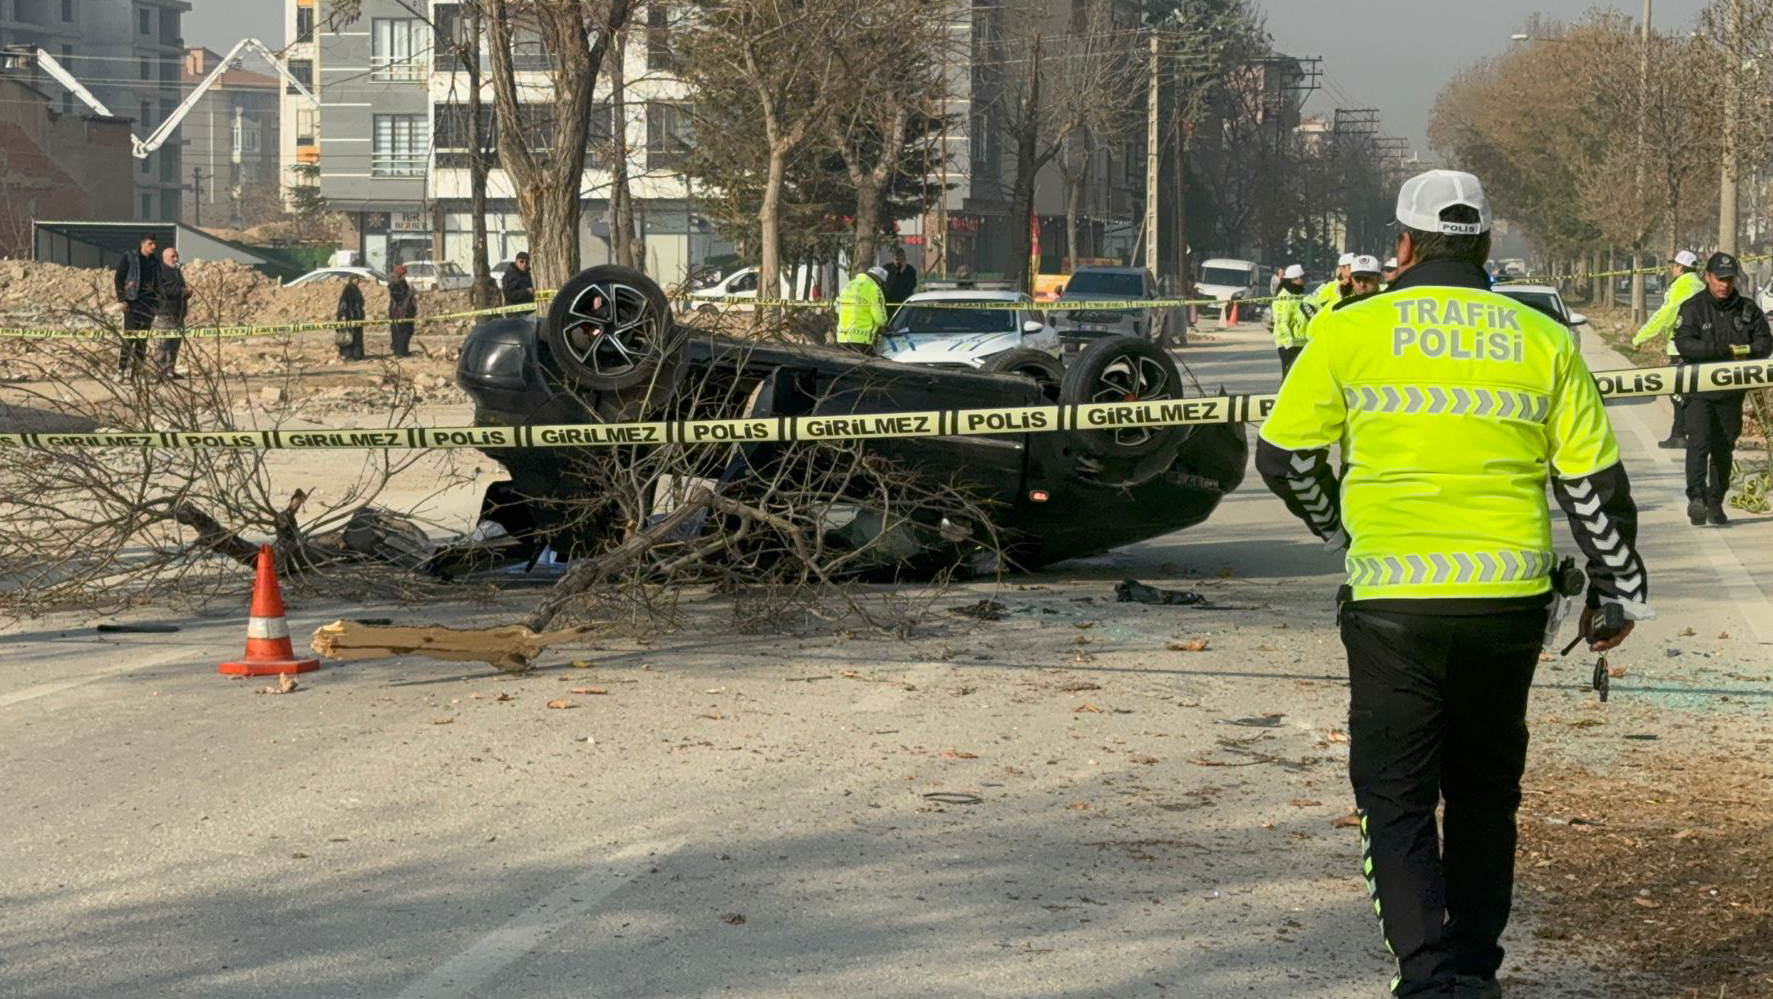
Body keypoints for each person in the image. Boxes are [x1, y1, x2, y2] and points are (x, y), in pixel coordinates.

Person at [1258, 169, 1649, 999]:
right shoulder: (1540, 336)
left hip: (1392, 605)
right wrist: (1618, 591)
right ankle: (1474, 964)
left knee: (1395, 796)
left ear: (1401, 246)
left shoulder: (1349, 329)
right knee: (1481, 792)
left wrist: (1337, 524)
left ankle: (1432, 979)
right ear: (1483, 244)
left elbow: (1284, 456)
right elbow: (1592, 485)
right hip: (1507, 605)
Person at [1673, 251, 1773, 527]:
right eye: (1719, 279)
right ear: (1707, 277)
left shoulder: (1747, 309)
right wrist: (1714, 350)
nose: (1724, 285)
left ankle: (1715, 502)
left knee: (1723, 448)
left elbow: (1765, 344)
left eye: (1729, 279)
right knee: (1699, 442)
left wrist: (1744, 350)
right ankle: (1696, 498)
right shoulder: (1693, 307)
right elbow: (1683, 343)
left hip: (1731, 395)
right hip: (1699, 392)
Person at [1631, 250, 1705, 449]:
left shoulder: (1681, 286)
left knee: (1678, 394)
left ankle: (1680, 435)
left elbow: (1664, 315)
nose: (1672, 268)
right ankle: (1690, 433)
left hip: (1680, 347)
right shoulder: (1700, 285)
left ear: (1680, 268)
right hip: (1700, 347)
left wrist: (1640, 337)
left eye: (1674, 265)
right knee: (1693, 393)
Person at [112, 234, 161, 378]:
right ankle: (121, 369)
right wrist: (122, 299)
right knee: (130, 337)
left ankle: (137, 371)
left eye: (155, 244)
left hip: (148, 306)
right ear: (143, 244)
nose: (153, 247)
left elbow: (158, 283)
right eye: (151, 244)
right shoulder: (130, 257)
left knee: (142, 341)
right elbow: (119, 278)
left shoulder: (155, 262)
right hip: (132, 304)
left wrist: (156, 303)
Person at [152, 246, 192, 380]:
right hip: (165, 313)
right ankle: (161, 370)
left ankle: (170, 369)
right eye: (172, 256)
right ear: (165, 258)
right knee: (165, 343)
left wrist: (186, 294)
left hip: (178, 313)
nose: (175, 259)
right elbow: (161, 290)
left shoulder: (176, 271)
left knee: (175, 342)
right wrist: (180, 291)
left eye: (176, 256)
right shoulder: (160, 271)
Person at [835, 265, 889, 354]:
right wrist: (884, 323)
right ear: (879, 280)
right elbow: (880, 319)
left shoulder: (849, 285)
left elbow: (838, 309)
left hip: (842, 337)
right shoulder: (874, 289)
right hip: (861, 339)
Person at [1270, 263, 1309, 376]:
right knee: (1290, 377)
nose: (1305, 280)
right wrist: (1289, 346)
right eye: (1303, 278)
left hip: (1301, 343)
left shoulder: (1298, 295)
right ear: (1294, 279)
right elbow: (1282, 324)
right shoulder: (1284, 298)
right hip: (1289, 346)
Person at [1305, 252, 1354, 318]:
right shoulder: (1329, 286)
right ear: (1342, 268)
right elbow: (1306, 304)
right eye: (1351, 267)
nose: (1355, 270)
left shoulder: (1359, 286)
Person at [387, 264, 419, 358]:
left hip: (407, 313)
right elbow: (397, 297)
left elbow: (407, 296)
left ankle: (404, 350)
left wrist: (411, 294)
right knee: (400, 332)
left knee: (408, 331)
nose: (405, 276)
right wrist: (408, 295)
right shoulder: (395, 285)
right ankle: (399, 351)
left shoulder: (403, 283)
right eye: (404, 274)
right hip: (398, 313)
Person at [335, 274, 366, 362]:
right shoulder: (348, 289)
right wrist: (344, 315)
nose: (356, 281)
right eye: (354, 279)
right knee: (348, 337)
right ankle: (347, 355)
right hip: (349, 317)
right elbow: (344, 303)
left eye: (357, 279)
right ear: (351, 279)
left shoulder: (356, 289)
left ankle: (357, 355)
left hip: (357, 317)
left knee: (357, 336)